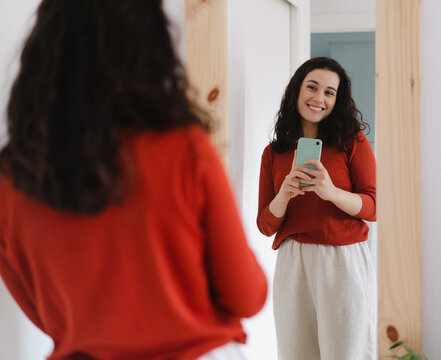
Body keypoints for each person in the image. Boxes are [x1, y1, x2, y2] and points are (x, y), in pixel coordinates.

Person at [0, 1, 267, 359]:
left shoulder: (11, 177)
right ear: (151, 46)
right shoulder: (184, 149)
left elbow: (44, 316)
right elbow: (247, 296)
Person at [257, 57, 376, 360]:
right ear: (297, 90)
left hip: (342, 259)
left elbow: (374, 207)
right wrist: (283, 195)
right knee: (295, 352)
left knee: (346, 352)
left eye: (329, 92)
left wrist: (331, 192)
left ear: (337, 100)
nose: (319, 98)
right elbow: (266, 225)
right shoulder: (274, 153)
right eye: (312, 87)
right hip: (293, 260)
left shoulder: (353, 142)